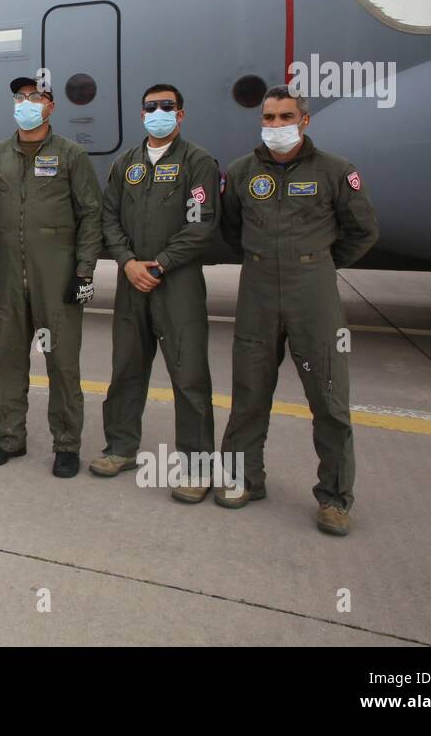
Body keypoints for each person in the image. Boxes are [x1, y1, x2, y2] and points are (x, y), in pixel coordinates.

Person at [217, 85, 379, 536]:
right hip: (258, 291)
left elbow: (363, 230)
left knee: (328, 401)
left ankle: (335, 498)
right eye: (268, 118)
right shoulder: (241, 172)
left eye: (285, 117)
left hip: (314, 295)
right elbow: (230, 229)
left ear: (304, 121)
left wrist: (317, 261)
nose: (275, 126)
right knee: (249, 393)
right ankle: (243, 479)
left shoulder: (335, 171)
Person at [92, 84, 219, 501]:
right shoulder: (125, 162)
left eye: (167, 107)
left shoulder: (197, 162)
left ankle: (197, 468)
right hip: (132, 281)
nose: (158, 112)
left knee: (189, 375)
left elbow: (201, 225)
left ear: (180, 115)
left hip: (175, 282)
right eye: (151, 107)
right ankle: (121, 448)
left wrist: (160, 263)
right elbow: (108, 217)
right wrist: (127, 262)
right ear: (141, 113)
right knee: (126, 369)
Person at [0, 75, 101, 478]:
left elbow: (90, 214)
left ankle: (66, 445)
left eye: (35, 97)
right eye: (20, 97)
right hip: (8, 279)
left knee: (62, 364)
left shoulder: (71, 155)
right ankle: (9, 438)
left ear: (51, 107)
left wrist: (84, 272)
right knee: (6, 362)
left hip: (56, 280)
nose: (26, 102)